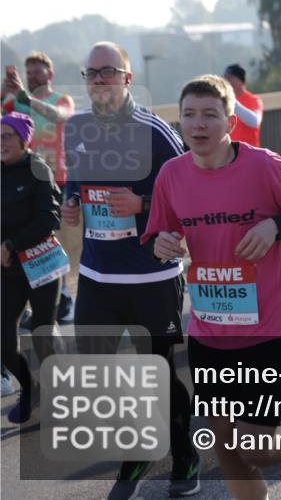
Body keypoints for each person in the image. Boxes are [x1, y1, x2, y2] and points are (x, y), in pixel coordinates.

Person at [143, 75, 281, 500]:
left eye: (210, 115)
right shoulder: (171, 176)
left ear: (230, 122)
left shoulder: (263, 165)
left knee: (257, 444)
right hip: (209, 327)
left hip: (268, 325)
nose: (198, 124)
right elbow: (158, 238)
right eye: (189, 114)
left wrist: (275, 225)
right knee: (225, 443)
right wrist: (163, 244)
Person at [59, 42, 200, 499]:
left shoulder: (155, 132)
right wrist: (73, 201)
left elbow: (189, 194)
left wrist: (142, 205)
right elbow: (77, 179)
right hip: (97, 274)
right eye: (92, 72)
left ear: (127, 77)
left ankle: (184, 456)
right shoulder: (77, 126)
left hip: (151, 276)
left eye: (108, 71)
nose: (99, 79)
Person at [3, 52, 76, 324]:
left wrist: (24, 97)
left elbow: (60, 117)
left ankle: (64, 298)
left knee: (57, 242)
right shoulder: (16, 101)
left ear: (50, 74)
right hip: (25, 181)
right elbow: (4, 122)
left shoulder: (60, 99)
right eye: (28, 71)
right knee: (28, 243)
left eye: (38, 71)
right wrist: (5, 93)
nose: (32, 75)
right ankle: (35, 304)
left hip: (57, 177)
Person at [1, 112, 64, 424]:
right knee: (3, 341)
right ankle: (31, 388)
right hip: (9, 270)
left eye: (7, 136)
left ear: (23, 139)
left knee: (42, 333)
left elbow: (49, 218)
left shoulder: (38, 168)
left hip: (41, 263)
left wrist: (11, 243)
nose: (1, 142)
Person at [222, 64, 264, 147]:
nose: (226, 82)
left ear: (240, 79)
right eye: (225, 78)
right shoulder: (223, 101)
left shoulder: (253, 100)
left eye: (229, 78)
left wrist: (234, 103)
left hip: (250, 153)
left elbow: (254, 122)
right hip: (229, 153)